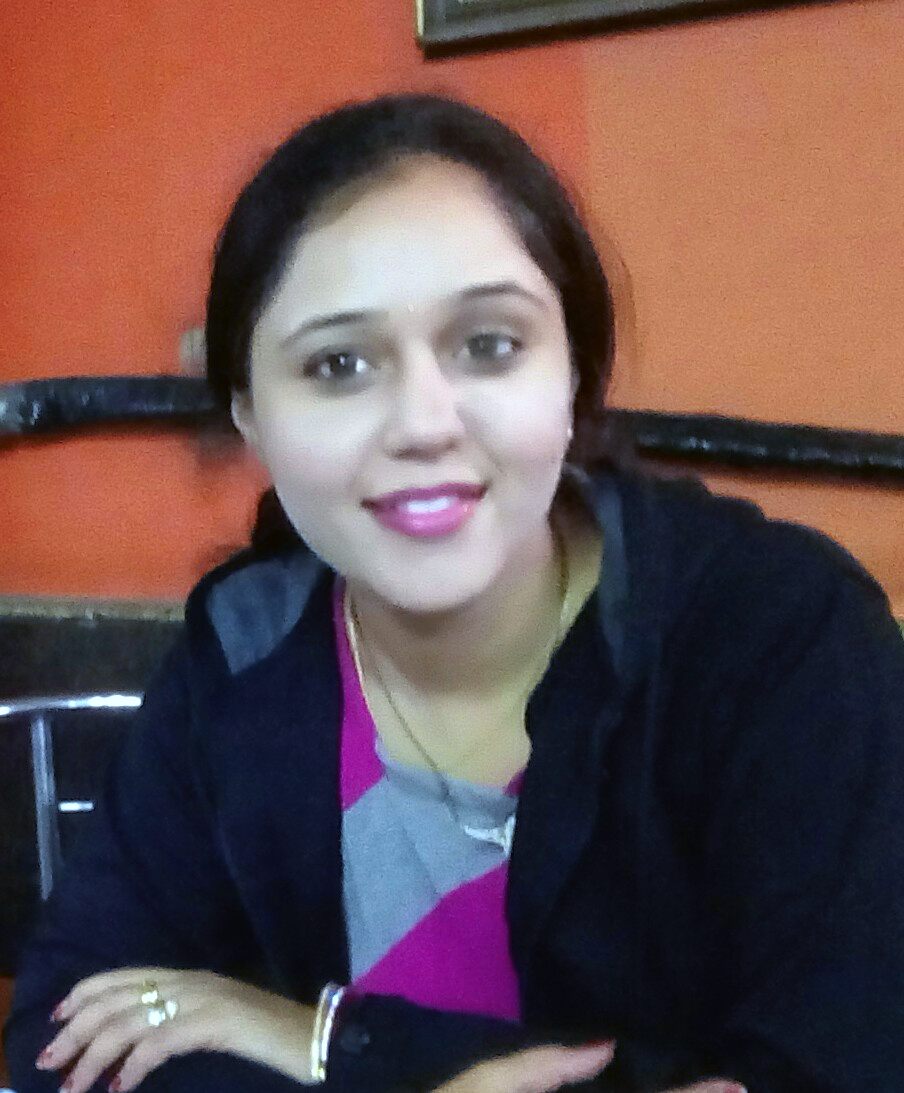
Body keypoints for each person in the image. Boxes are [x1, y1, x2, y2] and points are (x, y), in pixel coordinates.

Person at [5, 93, 904, 1093]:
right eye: (338, 364)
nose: (423, 423)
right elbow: (61, 1043)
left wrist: (331, 1041)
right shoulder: (247, 652)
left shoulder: (778, 637)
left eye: (488, 345)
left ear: (574, 372)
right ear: (250, 414)